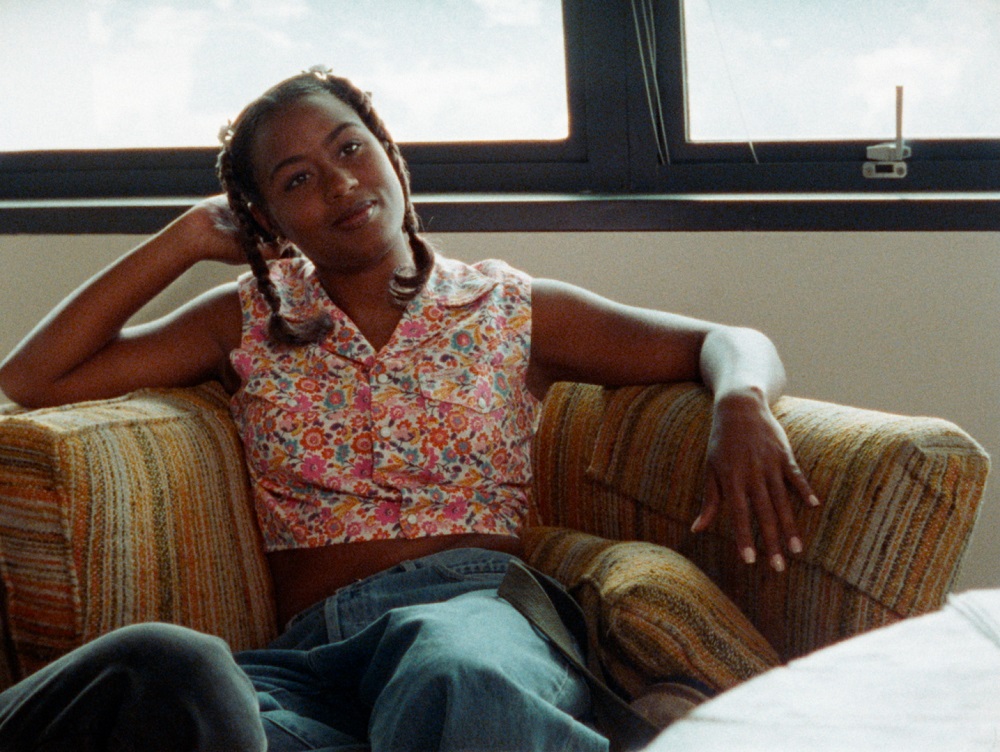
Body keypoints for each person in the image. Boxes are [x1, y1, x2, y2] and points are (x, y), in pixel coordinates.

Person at [0, 67, 818, 751]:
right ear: (264, 217)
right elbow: (32, 377)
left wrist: (741, 402)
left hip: (475, 619)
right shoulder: (244, 319)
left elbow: (724, 340)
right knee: (178, 690)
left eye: (350, 148)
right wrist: (184, 238)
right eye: (296, 180)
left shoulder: (506, 307)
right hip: (312, 660)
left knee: (452, 676)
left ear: (391, 156)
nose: (339, 183)